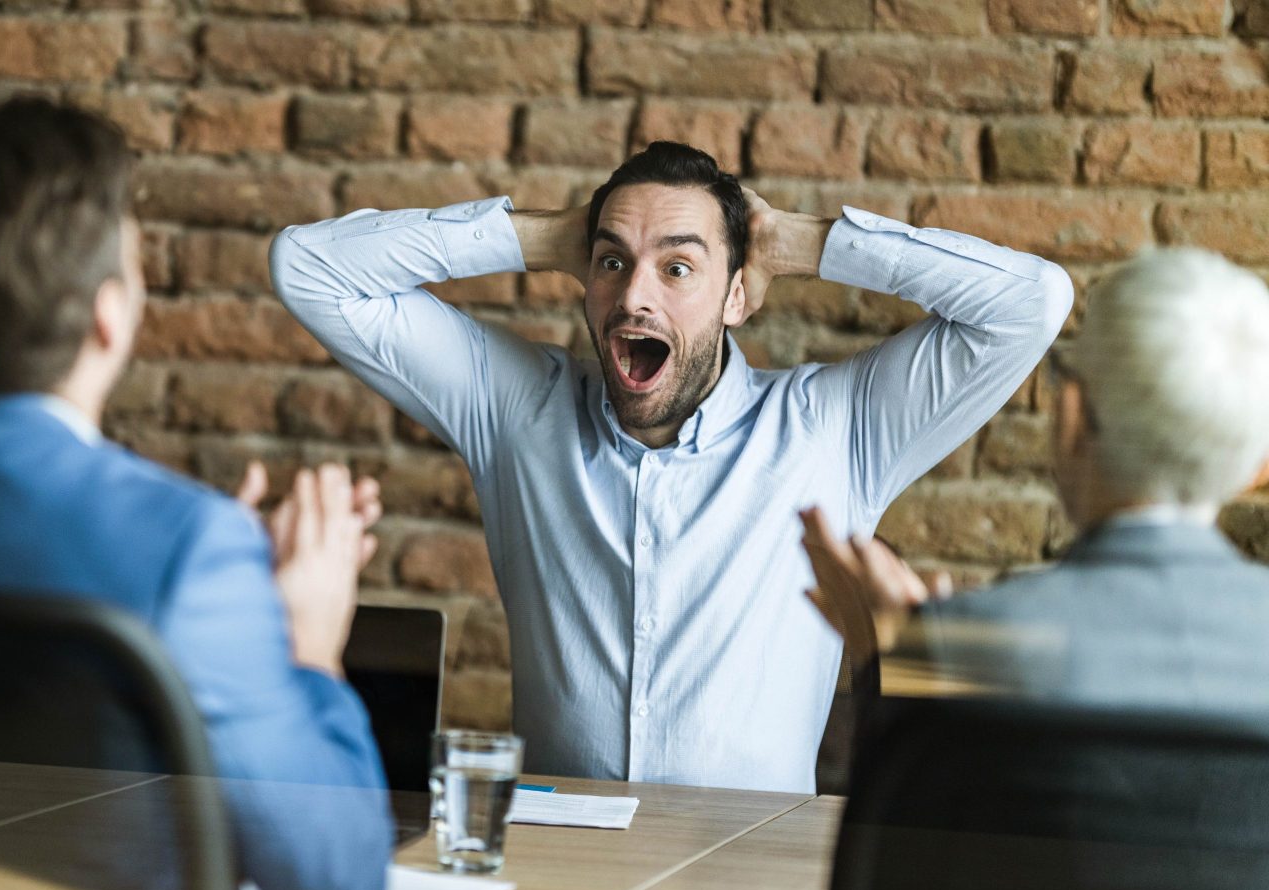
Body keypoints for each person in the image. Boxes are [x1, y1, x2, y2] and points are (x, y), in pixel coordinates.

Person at [270, 140, 1071, 792]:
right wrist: (544, 236)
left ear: (736, 297)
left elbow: (1032, 302)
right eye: (613, 263)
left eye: (678, 267)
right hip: (557, 881)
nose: (632, 299)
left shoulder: (835, 429)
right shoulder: (518, 409)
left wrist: (802, 243)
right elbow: (307, 267)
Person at [0, 99, 392, 890]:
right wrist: (306, 645)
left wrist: (219, 591)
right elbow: (333, 885)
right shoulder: (189, 549)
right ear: (108, 312)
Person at [802, 248, 1269, 708]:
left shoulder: (957, 654)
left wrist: (889, 652)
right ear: (1258, 469)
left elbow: (902, 783)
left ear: (1069, 415)